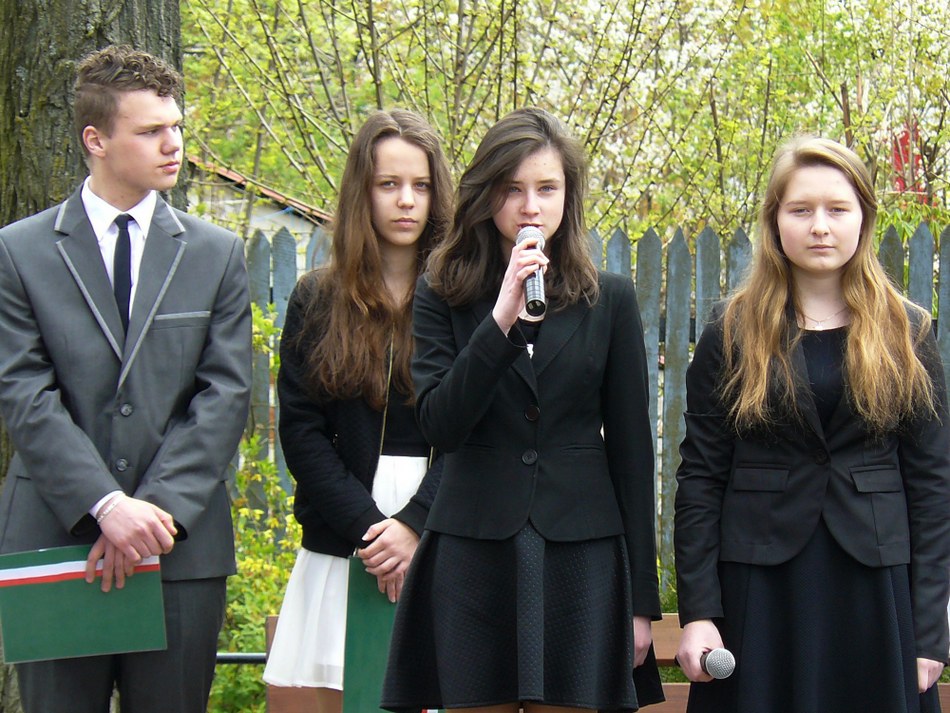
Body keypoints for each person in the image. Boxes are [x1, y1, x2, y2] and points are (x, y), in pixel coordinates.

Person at [382, 107, 664, 713]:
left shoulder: (609, 299)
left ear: (568, 196)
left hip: (580, 551)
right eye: (512, 189)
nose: (530, 207)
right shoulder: (441, 291)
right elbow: (440, 424)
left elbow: (633, 454)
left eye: (546, 189)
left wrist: (642, 602)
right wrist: (500, 320)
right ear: (486, 195)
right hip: (473, 548)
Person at [0, 45, 252, 713]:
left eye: (176, 127)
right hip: (59, 537)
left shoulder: (216, 254)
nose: (173, 144)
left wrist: (152, 514)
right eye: (150, 131)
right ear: (96, 140)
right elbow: (23, 393)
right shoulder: (18, 252)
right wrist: (106, 506)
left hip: (180, 549)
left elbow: (225, 396)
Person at [673, 136, 950, 713]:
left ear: (863, 217)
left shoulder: (908, 333)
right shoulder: (732, 331)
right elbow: (700, 478)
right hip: (760, 591)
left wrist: (929, 630)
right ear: (775, 220)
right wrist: (699, 613)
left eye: (837, 209)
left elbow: (932, 486)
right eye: (800, 209)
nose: (820, 226)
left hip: (875, 590)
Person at [261, 109, 452, 713]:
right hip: (346, 531)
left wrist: (414, 524)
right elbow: (302, 431)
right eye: (388, 184)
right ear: (361, 192)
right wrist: (372, 532)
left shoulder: (466, 298)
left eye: (421, 185)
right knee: (342, 695)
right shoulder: (317, 298)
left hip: (443, 527)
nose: (406, 200)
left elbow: (479, 429)